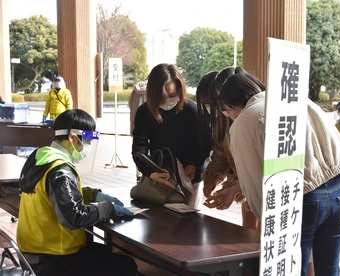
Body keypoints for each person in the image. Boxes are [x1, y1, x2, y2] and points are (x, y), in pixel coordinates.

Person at [219, 72, 340, 276]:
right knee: (329, 269)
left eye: (227, 111)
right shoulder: (298, 100)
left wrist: (269, 223)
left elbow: (255, 180)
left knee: (291, 271)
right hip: (338, 192)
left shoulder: (244, 122)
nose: (229, 115)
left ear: (232, 104)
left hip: (300, 199)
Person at [17, 108, 137, 276]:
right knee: (126, 265)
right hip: (52, 259)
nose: (88, 146)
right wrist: (108, 208)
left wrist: (92, 194)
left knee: (106, 252)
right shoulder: (60, 170)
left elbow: (54, 193)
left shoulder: (40, 157)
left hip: (33, 253)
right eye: (87, 140)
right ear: (72, 137)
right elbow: (74, 217)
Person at [131, 63, 209, 208]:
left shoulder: (192, 110)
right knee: (159, 226)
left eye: (173, 95)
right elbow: (139, 148)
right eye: (162, 97)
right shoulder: (145, 112)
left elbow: (204, 142)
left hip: (190, 179)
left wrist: (195, 164)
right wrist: (151, 173)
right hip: (160, 178)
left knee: (190, 225)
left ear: (180, 89)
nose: (168, 101)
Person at [196, 67, 264, 230]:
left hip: (259, 183)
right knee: (248, 229)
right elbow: (221, 154)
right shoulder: (224, 119)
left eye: (212, 103)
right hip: (245, 182)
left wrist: (233, 188)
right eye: (206, 104)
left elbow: (258, 166)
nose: (214, 108)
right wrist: (211, 179)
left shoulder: (251, 117)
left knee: (265, 231)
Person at [128, 81, 147, 181]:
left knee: (139, 148)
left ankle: (139, 173)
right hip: (148, 124)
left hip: (136, 123)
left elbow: (130, 104)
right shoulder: (153, 89)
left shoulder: (135, 89)